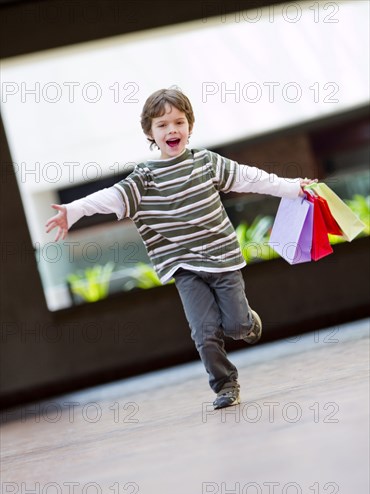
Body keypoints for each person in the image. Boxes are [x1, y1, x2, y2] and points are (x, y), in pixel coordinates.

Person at [45, 87, 317, 410]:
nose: (171, 129)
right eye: (162, 125)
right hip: (184, 268)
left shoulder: (205, 162)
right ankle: (225, 384)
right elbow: (112, 197)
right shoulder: (145, 178)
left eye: (178, 122)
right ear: (150, 133)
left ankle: (248, 322)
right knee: (203, 332)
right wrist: (73, 211)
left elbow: (249, 178)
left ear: (189, 125)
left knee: (237, 327)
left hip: (222, 258)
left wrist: (291, 187)